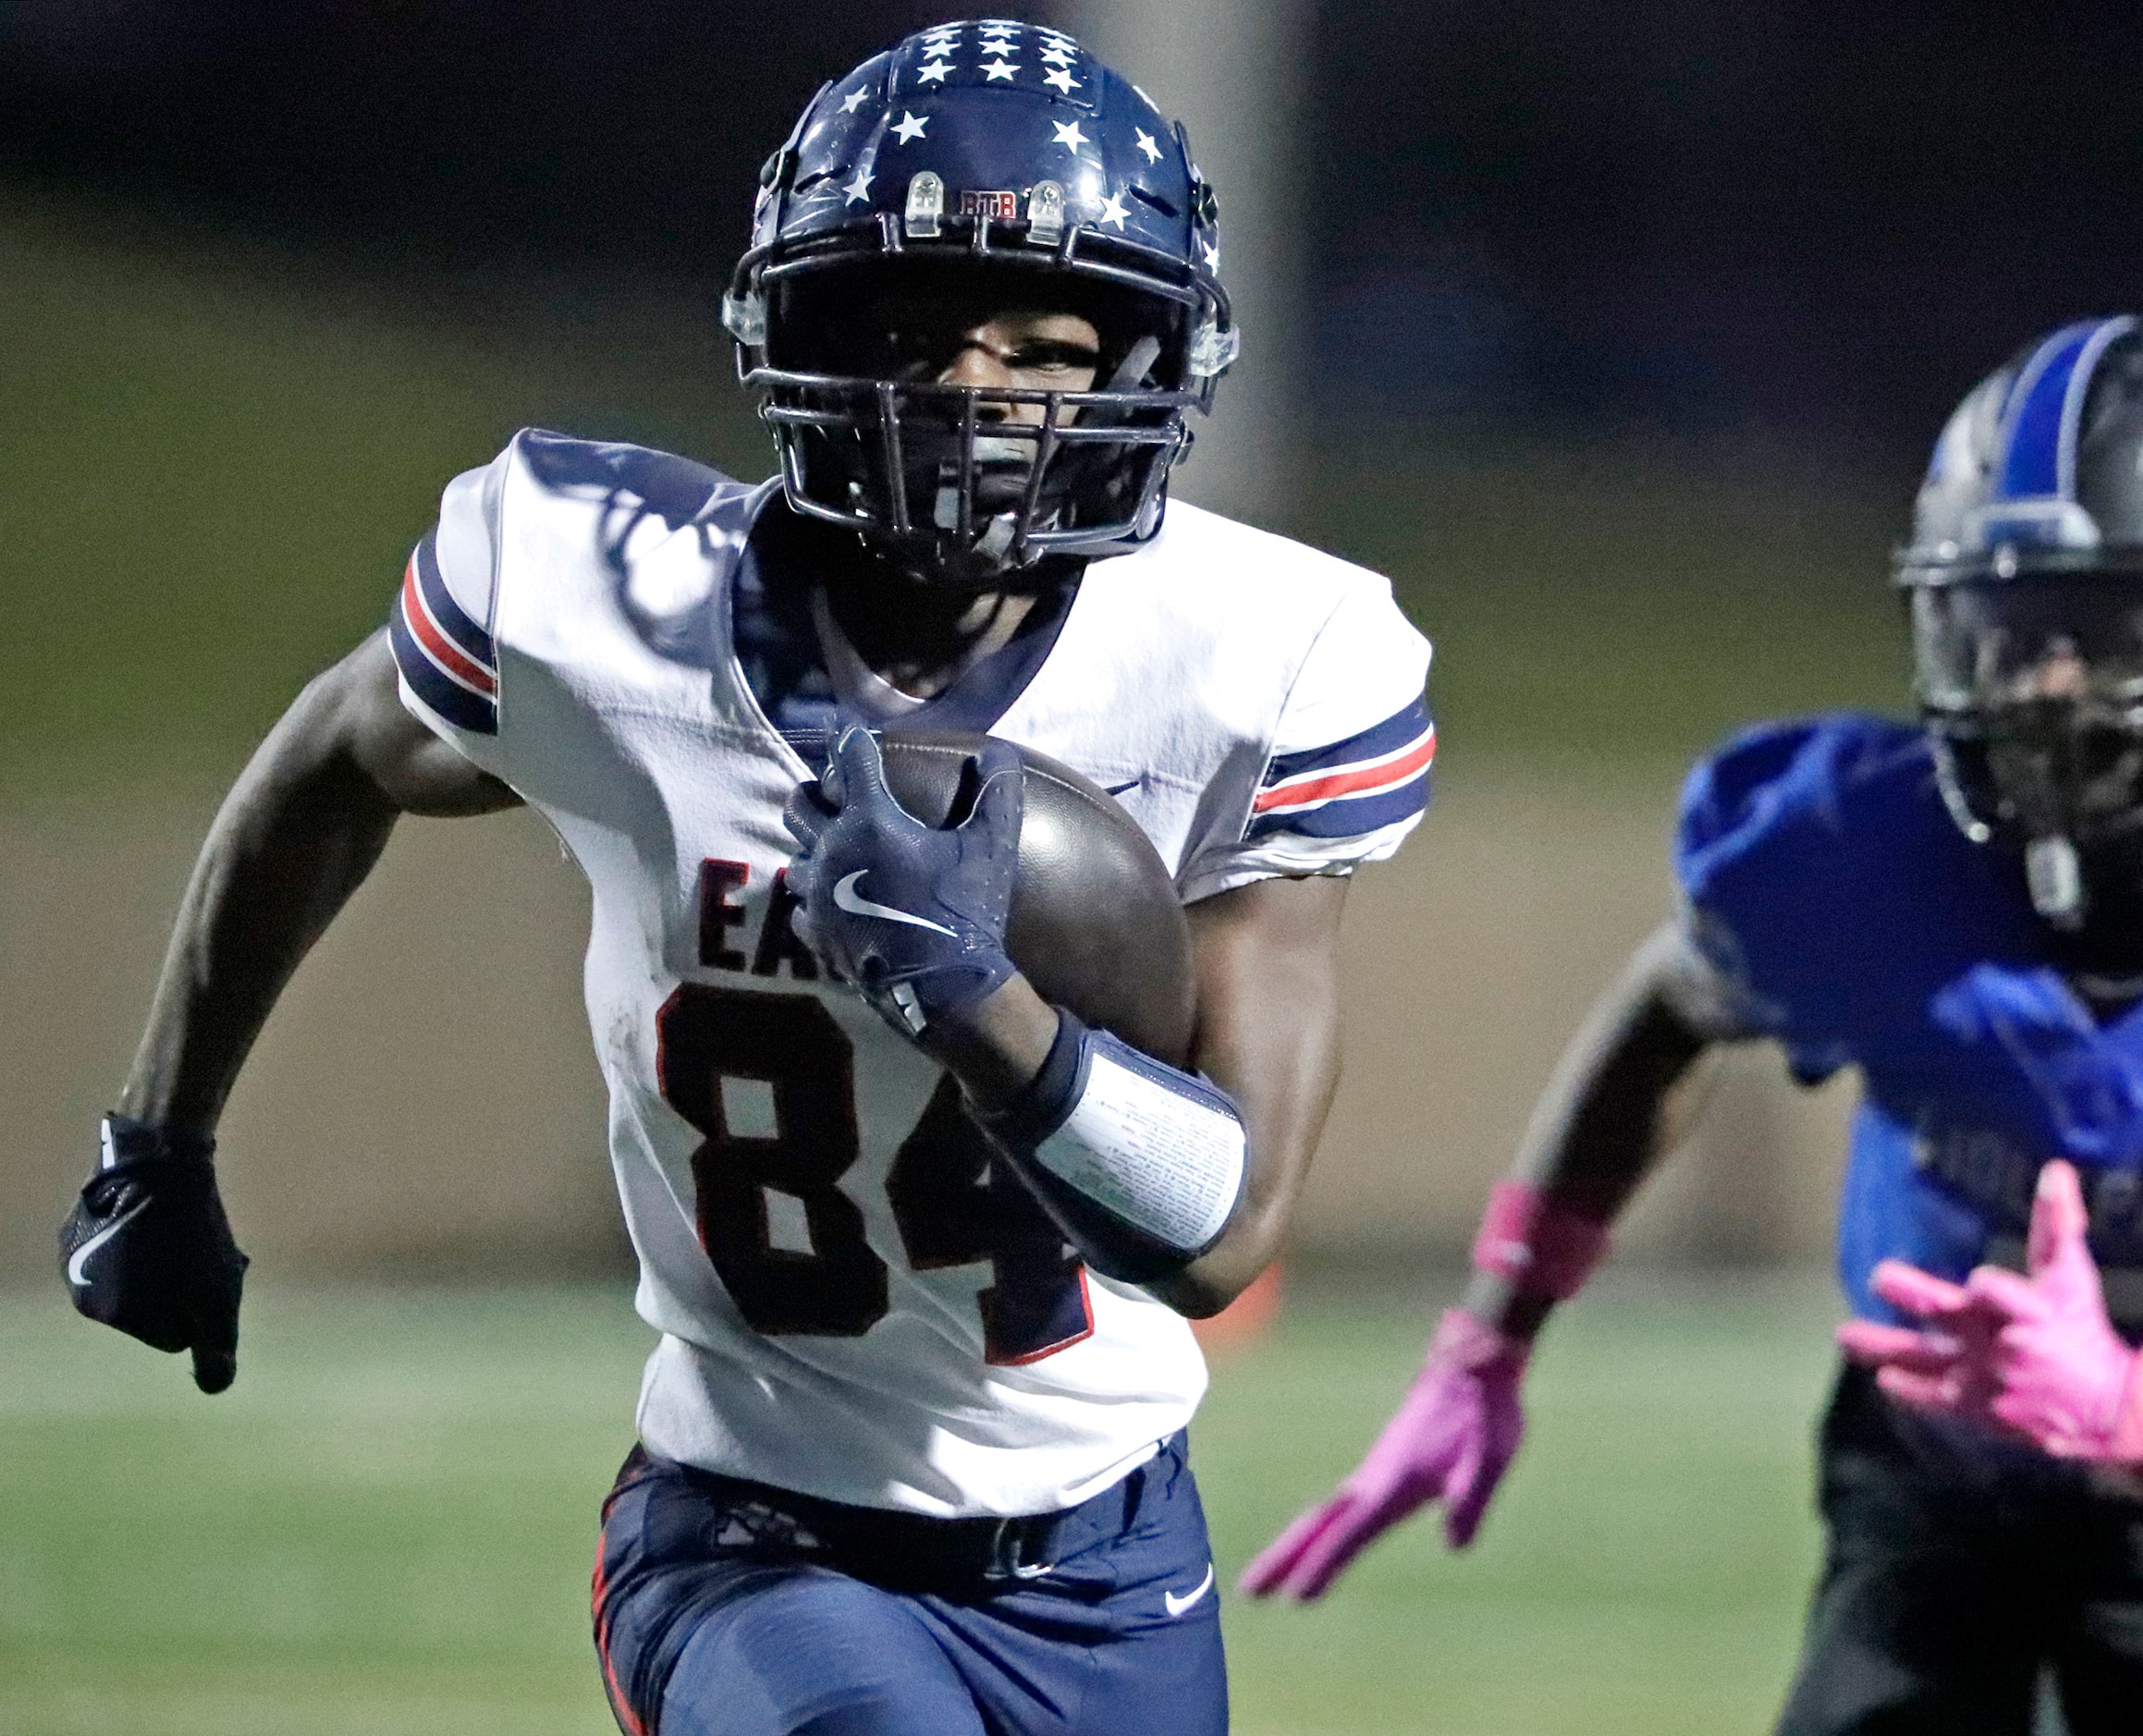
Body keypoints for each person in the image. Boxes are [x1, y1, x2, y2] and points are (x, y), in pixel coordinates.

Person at [60, 22, 1435, 1736]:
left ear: (1145, 364)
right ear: (804, 331)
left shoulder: (1258, 664)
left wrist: (970, 996)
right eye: (919, 327)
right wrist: (160, 1140)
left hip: (1107, 1558)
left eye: (1050, 343)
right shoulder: (593, 603)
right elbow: (330, 763)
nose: (981, 389)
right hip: (756, 1535)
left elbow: (1220, 1232)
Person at [1243, 317, 2143, 1735]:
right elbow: (1668, 1010)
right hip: (1941, 1480)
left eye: (2106, 627)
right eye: (2003, 627)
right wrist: (1490, 1336)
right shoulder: (1846, 848)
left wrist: (2142, 1417)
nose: (2041, 683)